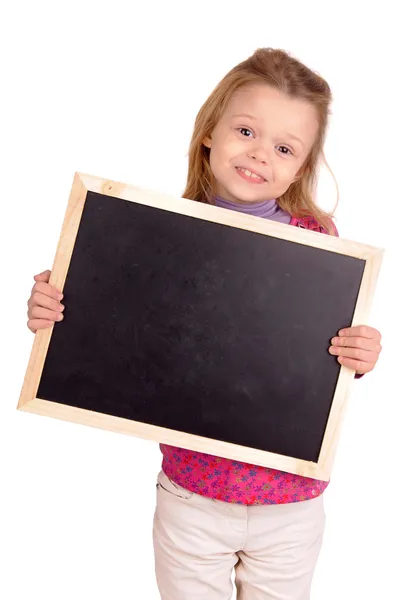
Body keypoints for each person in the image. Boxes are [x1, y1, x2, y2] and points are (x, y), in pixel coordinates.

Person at [26, 48, 382, 600]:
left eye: (284, 148)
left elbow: (316, 354)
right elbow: (113, 332)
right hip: (193, 495)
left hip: (290, 500)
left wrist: (359, 354)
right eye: (246, 130)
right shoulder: (158, 239)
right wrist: (60, 309)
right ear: (210, 131)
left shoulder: (318, 242)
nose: (260, 154)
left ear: (301, 166)